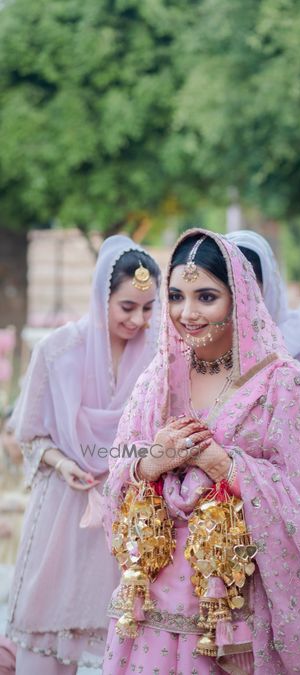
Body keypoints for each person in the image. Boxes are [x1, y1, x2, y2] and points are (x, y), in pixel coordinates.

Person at [103, 229, 300, 675]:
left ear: (238, 298)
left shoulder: (282, 382)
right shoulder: (159, 380)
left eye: (206, 297)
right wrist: (150, 463)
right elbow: (118, 477)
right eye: (177, 296)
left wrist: (225, 466)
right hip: (154, 602)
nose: (188, 313)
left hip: (240, 604)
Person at [6, 235, 161, 674]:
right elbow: (30, 435)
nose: (138, 319)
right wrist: (65, 463)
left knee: (123, 635)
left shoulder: (155, 358)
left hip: (126, 513)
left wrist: (130, 464)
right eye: (127, 306)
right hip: (63, 507)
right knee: (48, 630)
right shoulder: (56, 351)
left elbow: (156, 435)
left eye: (148, 309)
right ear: (102, 296)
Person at [226, 230, 300, 460]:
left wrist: (272, 447)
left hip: (295, 476)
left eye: (248, 286)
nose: (238, 298)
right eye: (229, 287)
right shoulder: (208, 341)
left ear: (267, 285)